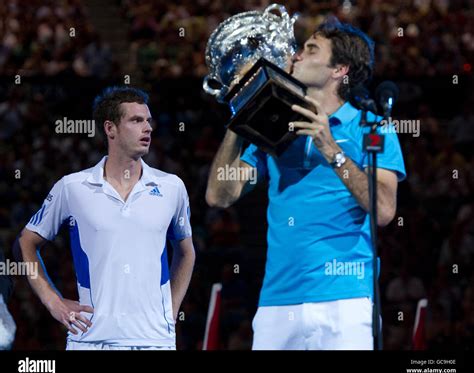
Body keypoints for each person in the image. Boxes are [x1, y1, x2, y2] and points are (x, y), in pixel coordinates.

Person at [206, 19, 406, 350]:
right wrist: (241, 111)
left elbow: (384, 210)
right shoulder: (275, 129)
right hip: (277, 301)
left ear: (339, 69)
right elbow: (219, 195)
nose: (296, 56)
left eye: (311, 49)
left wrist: (330, 148)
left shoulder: (372, 127)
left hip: (346, 300)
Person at [15, 86, 195, 350]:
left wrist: (170, 310)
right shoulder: (72, 187)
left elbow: (186, 252)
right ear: (110, 129)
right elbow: (25, 242)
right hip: (90, 339)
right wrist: (52, 301)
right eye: (136, 120)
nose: (148, 128)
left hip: (155, 341)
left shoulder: (172, 187)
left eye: (148, 120)